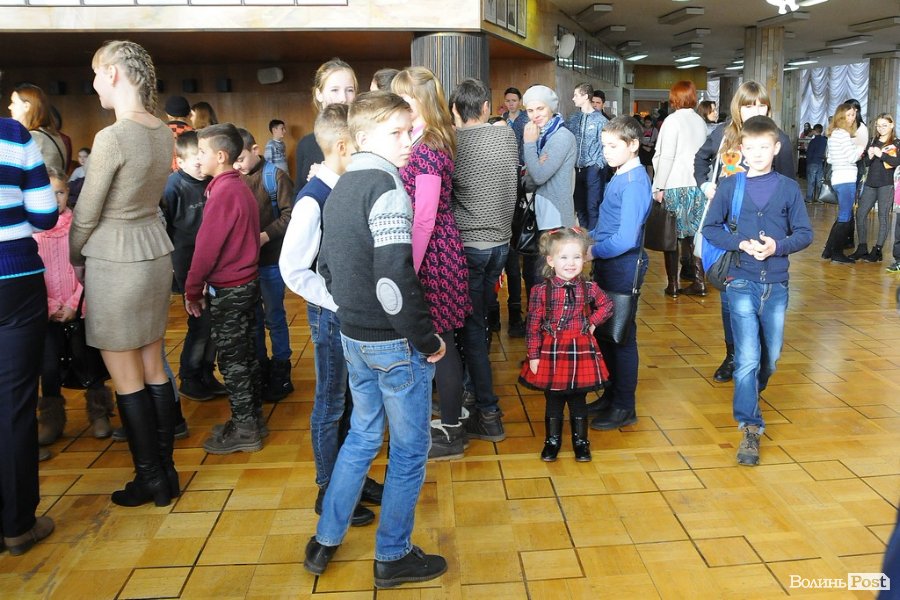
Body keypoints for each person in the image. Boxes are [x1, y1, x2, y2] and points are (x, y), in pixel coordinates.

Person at [306, 90, 448, 588]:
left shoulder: (341, 184)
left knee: (362, 435)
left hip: (353, 337)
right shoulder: (387, 188)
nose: (408, 141)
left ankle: (325, 540)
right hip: (393, 342)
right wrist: (426, 339)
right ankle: (393, 555)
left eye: (410, 130)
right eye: (397, 133)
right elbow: (393, 281)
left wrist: (352, 313)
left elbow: (328, 266)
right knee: (409, 450)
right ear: (363, 137)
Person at [69, 40, 179, 507]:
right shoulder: (162, 131)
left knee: (126, 377)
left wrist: (74, 256)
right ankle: (167, 474)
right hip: (154, 253)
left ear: (113, 73)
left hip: (115, 259)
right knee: (153, 366)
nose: (94, 84)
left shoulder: (113, 137)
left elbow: (86, 212)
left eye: (96, 74)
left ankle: (149, 479)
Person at [280, 103, 382, 526]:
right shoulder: (313, 199)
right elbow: (293, 268)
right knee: (331, 401)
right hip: (331, 314)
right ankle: (329, 488)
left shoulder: (345, 189)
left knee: (354, 400)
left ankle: (352, 477)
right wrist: (337, 299)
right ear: (342, 146)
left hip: (350, 310)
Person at [701, 115, 813, 465]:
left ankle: (750, 387)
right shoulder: (730, 186)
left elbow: (805, 233)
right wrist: (741, 243)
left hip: (776, 283)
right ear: (742, 150)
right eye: (751, 148)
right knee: (747, 357)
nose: (758, 153)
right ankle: (750, 426)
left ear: (776, 148)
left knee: (771, 358)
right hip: (740, 280)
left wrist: (777, 247)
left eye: (765, 147)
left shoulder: (788, 188)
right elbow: (710, 228)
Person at [391, 67, 475, 445]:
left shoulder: (427, 146)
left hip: (433, 253)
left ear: (421, 101)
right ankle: (451, 414)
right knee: (439, 341)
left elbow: (424, 217)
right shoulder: (421, 139)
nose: (398, 104)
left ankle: (452, 427)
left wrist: (408, 266)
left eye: (404, 98)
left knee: (440, 343)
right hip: (435, 248)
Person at [693, 81, 795, 385]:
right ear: (738, 108)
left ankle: (759, 356)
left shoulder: (779, 139)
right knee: (730, 297)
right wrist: (706, 185)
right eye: (749, 105)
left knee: (764, 297)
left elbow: (788, 186)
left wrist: (782, 237)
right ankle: (733, 354)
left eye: (761, 105)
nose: (755, 110)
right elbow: (700, 159)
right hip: (729, 228)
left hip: (765, 232)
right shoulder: (723, 134)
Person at [446, 77, 519, 458]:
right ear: (487, 108)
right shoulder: (506, 135)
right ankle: (473, 389)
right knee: (483, 320)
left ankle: (488, 412)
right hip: (501, 246)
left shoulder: (453, 144)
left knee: (471, 330)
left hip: (470, 247)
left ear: (454, 111)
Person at [185, 124, 263, 454]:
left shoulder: (224, 192)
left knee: (233, 361)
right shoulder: (237, 186)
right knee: (245, 354)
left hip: (230, 288)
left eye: (202, 152)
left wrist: (192, 289)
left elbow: (206, 248)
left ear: (220, 156)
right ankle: (252, 418)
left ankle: (246, 429)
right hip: (246, 283)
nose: (197, 158)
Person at [0, 114, 57, 554]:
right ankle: (18, 525)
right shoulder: (13, 134)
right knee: (15, 405)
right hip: (14, 279)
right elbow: (44, 214)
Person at [34, 168, 115, 447]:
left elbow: (89, 268)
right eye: (47, 193)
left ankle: (100, 412)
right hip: (46, 312)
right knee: (49, 367)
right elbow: (31, 276)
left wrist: (72, 303)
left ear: (68, 192)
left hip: (79, 308)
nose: (54, 198)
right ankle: (51, 419)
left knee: (88, 361)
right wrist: (50, 305)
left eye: (59, 192)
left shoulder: (79, 229)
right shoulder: (32, 233)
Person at [520, 228, 613, 462]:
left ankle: (581, 442)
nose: (570, 263)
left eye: (576, 257)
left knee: (578, 399)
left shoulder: (589, 288)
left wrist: (592, 323)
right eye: (564, 257)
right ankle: (552, 441)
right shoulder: (540, 291)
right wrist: (533, 355)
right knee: (553, 399)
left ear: (584, 259)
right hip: (551, 351)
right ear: (551, 261)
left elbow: (607, 305)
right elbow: (533, 325)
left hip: (580, 350)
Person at [587, 116, 652, 431]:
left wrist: (593, 251)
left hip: (623, 267)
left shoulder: (634, 183)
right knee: (606, 334)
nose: (606, 152)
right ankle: (611, 395)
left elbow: (625, 239)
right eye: (604, 146)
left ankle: (625, 406)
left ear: (633, 145)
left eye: (613, 146)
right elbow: (609, 225)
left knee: (621, 337)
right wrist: (587, 237)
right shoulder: (620, 175)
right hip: (610, 264)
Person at [160, 131, 226, 401]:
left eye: (202, 158)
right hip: (187, 264)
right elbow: (164, 228)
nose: (201, 166)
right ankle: (189, 377)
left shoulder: (211, 181)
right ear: (181, 161)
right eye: (195, 162)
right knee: (200, 321)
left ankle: (206, 373)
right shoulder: (172, 187)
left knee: (215, 322)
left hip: (214, 263)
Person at [234, 128, 295, 402]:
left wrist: (264, 236)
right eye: (233, 161)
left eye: (241, 159)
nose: (238, 166)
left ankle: (282, 368)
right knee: (254, 319)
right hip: (245, 265)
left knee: (275, 317)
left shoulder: (275, 176)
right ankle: (261, 366)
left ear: (255, 150)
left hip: (271, 261)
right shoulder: (234, 178)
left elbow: (290, 214)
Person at [651, 81, 709, 298]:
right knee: (694, 235)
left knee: (671, 236)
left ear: (674, 98)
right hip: (697, 186)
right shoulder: (700, 122)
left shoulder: (672, 121)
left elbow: (666, 156)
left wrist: (659, 186)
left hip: (674, 184)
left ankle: (673, 284)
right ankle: (699, 281)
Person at [521, 85, 577, 298]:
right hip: (542, 215)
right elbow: (530, 178)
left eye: (540, 109)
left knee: (546, 278)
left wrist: (529, 146)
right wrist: (535, 165)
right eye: (530, 110)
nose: (535, 115)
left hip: (555, 218)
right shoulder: (542, 135)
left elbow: (538, 176)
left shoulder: (561, 137)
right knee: (534, 275)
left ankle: (548, 318)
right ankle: (538, 316)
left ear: (551, 108)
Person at [295, 58, 356, 185]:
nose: (343, 98)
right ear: (319, 94)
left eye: (350, 90)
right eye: (335, 90)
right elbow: (298, 191)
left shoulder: (364, 140)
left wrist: (329, 176)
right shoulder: (306, 144)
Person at [848, 113, 899, 262]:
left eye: (884, 125)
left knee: (883, 217)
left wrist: (881, 155)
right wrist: (869, 157)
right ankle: (862, 246)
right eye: (878, 125)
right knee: (860, 214)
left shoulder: (896, 143)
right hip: (870, 183)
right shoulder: (873, 140)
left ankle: (877, 250)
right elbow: (866, 163)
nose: (881, 128)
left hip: (886, 184)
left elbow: (896, 162)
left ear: (891, 125)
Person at [821, 103, 864, 264]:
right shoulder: (844, 135)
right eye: (849, 115)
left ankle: (828, 250)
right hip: (846, 178)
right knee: (845, 217)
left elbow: (830, 158)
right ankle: (837, 253)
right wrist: (860, 149)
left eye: (853, 115)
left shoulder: (834, 134)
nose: (853, 118)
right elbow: (852, 157)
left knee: (843, 216)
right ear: (841, 117)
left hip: (838, 177)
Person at [565, 82, 608, 231]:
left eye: (576, 95)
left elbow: (606, 146)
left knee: (593, 206)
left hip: (593, 169)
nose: (573, 98)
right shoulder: (573, 118)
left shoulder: (601, 121)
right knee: (579, 206)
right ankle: (584, 236)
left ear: (585, 96)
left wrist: (598, 165)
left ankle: (594, 238)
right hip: (575, 169)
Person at [8, 83, 66, 173]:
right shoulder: (54, 136)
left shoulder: (31, 137)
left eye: (13, 102)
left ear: (26, 106)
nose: (9, 107)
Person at [805, 124, 826, 203]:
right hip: (820, 162)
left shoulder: (813, 141)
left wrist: (808, 161)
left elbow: (809, 153)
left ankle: (809, 198)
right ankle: (818, 197)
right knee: (819, 181)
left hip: (812, 162)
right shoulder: (824, 141)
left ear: (814, 131)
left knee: (811, 181)